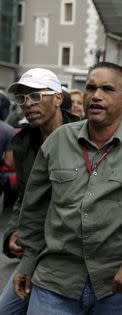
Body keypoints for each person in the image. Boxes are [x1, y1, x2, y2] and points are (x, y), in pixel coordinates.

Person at [12, 62, 122, 315]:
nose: (96, 95)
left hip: (118, 286)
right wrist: (26, 263)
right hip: (55, 283)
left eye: (107, 89)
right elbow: (34, 211)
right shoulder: (59, 140)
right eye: (90, 88)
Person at [0, 68, 80, 315]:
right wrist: (12, 232)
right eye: (22, 98)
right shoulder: (24, 141)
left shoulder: (86, 133)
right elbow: (26, 197)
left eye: (36, 96)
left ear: (57, 98)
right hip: (37, 250)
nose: (27, 104)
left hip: (76, 252)